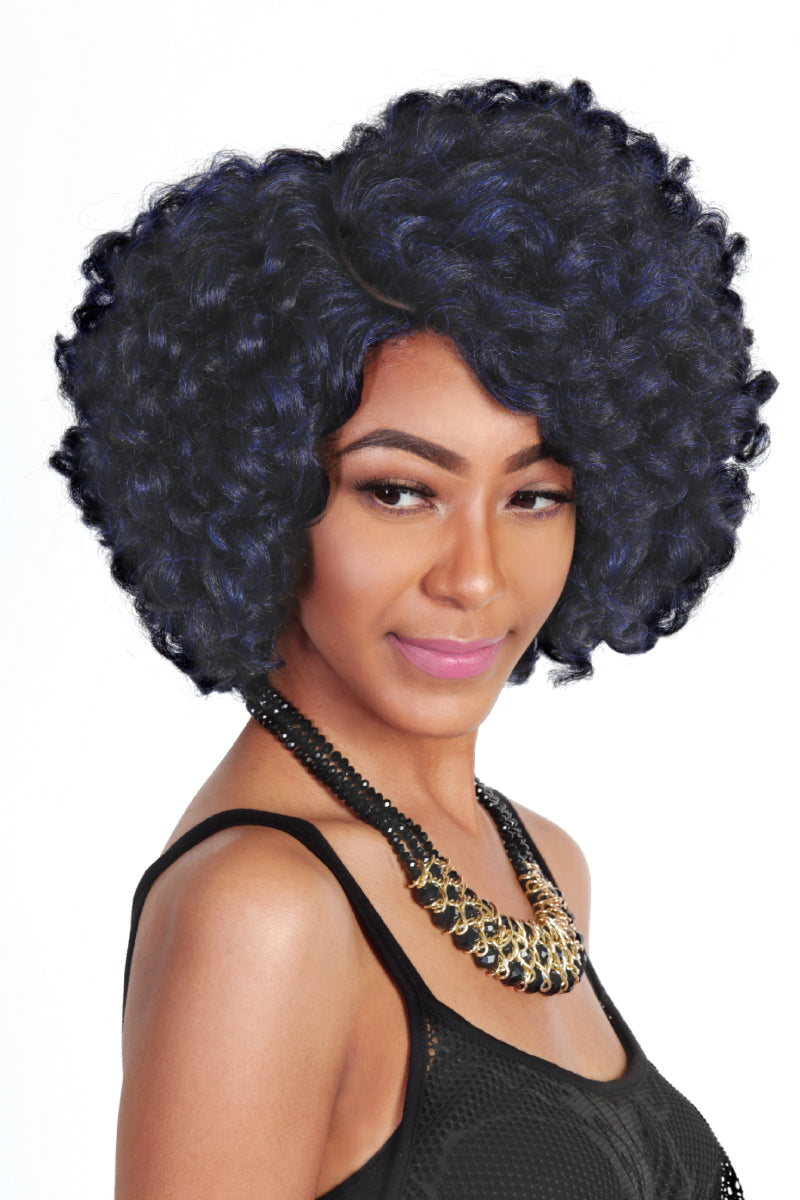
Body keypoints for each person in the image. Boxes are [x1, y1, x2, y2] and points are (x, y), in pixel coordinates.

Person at [50, 78, 775, 1199]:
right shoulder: (261, 908)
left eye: (532, 497)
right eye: (398, 492)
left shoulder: (539, 866)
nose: (474, 576)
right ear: (258, 497)